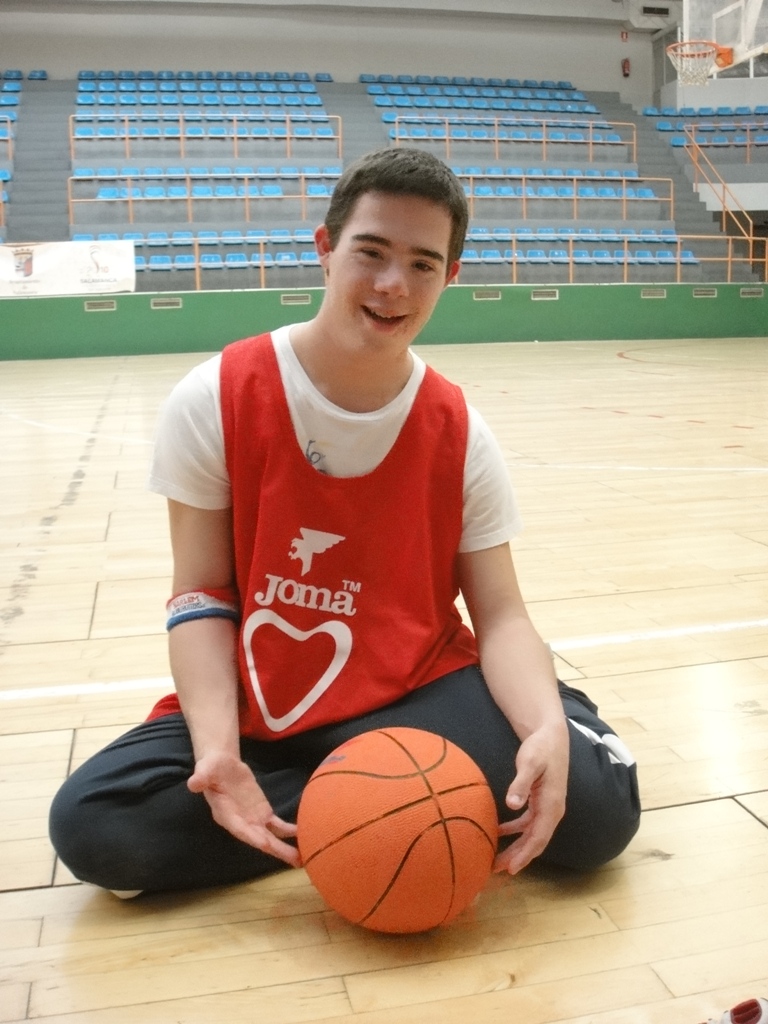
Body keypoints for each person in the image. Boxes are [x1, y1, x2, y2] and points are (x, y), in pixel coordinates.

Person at [49, 147, 640, 896]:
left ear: (450, 277)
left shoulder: (460, 432)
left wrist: (546, 728)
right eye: (372, 252)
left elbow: (501, 617)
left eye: (424, 264)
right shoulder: (216, 397)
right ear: (325, 250)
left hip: (416, 686)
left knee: (595, 817)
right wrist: (218, 750)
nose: (394, 285)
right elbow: (199, 595)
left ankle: (392, 786)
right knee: (96, 826)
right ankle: (382, 800)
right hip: (272, 695)